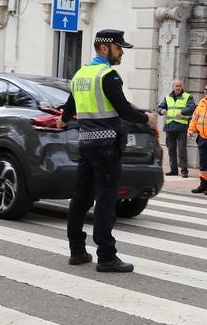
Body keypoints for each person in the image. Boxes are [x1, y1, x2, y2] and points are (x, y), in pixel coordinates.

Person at [58, 29, 148, 273]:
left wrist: (63, 119)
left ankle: (77, 250)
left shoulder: (81, 74)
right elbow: (124, 110)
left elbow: (69, 108)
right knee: (106, 200)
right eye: (119, 48)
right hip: (107, 146)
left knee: (81, 197)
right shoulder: (108, 75)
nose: (121, 53)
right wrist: (145, 118)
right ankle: (106, 256)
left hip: (86, 144)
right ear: (104, 48)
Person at [156, 77, 194, 177]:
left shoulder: (187, 97)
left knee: (182, 150)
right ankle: (173, 170)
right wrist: (161, 111)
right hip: (170, 127)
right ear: (173, 87)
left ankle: (184, 171)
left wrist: (182, 112)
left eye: (180, 86)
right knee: (171, 150)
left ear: (182, 87)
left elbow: (192, 108)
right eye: (176, 86)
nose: (178, 87)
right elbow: (159, 107)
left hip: (181, 128)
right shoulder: (167, 97)